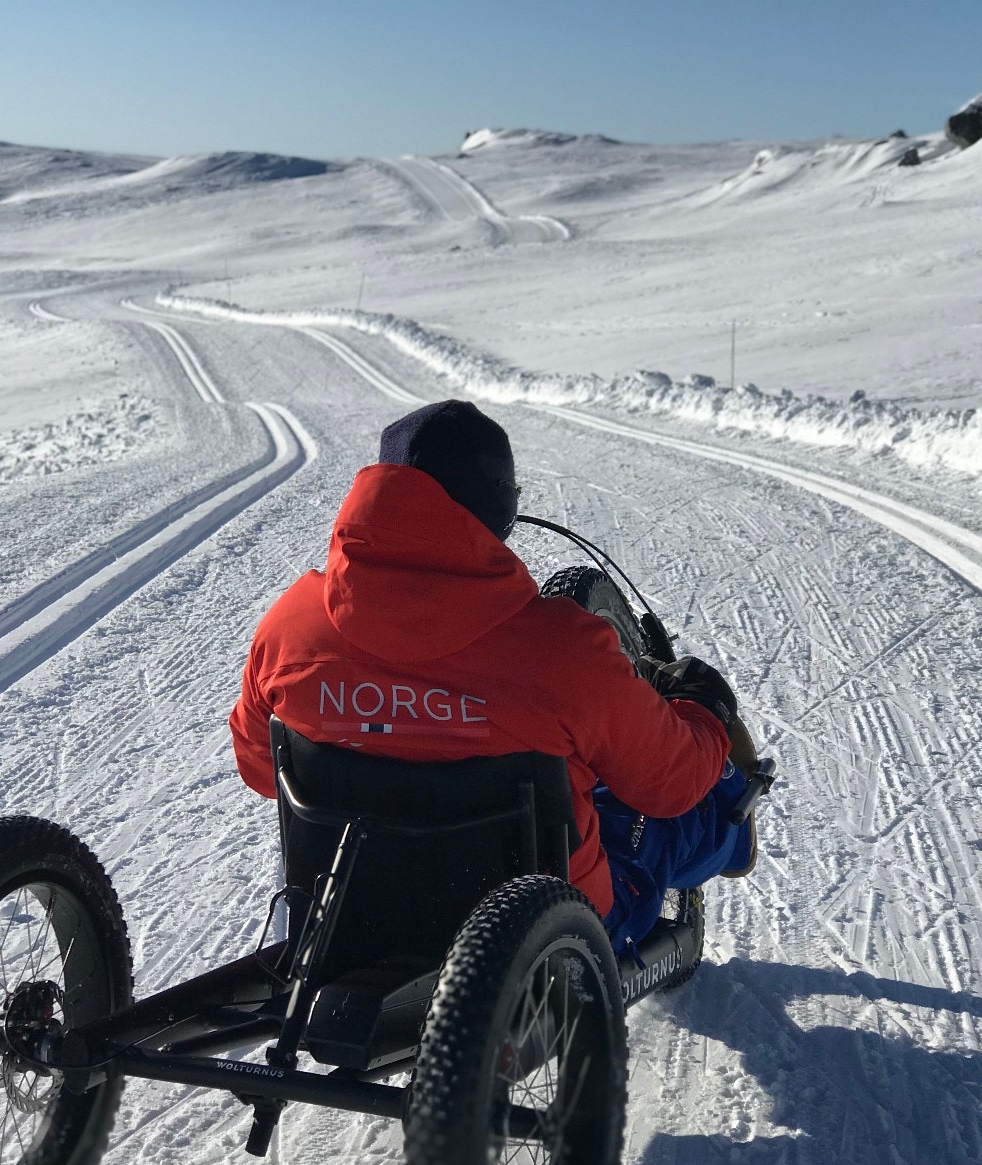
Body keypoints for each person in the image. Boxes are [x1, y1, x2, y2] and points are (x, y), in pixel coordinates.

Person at [229, 399, 755, 954]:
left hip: (347, 920)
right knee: (681, 806)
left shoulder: (291, 624)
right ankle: (735, 829)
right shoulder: (563, 647)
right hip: (544, 935)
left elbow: (263, 772)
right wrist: (702, 708)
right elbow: (671, 785)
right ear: (498, 508)